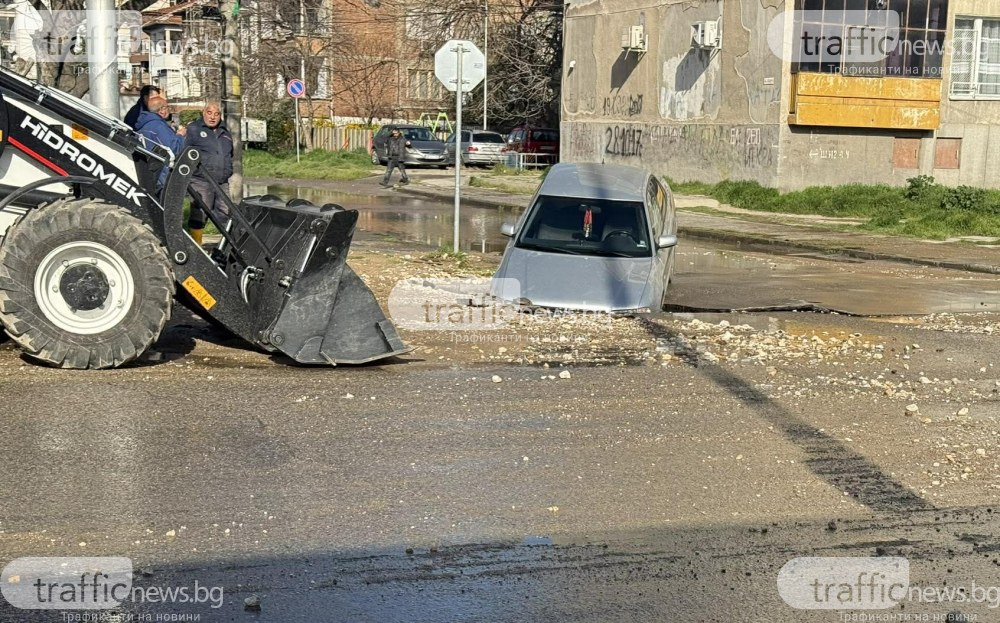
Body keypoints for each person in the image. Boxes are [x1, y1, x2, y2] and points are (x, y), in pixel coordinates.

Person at [184, 102, 234, 244]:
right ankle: (196, 245)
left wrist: (229, 170)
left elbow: (231, 154)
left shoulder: (226, 132)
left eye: (216, 114)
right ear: (203, 113)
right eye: (209, 113)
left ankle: (227, 246)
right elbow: (184, 152)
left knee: (226, 213)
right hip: (201, 180)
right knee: (199, 213)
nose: (212, 117)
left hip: (222, 181)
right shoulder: (194, 129)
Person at [134, 96, 185, 192]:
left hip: (148, 176)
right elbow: (174, 149)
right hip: (162, 177)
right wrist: (180, 135)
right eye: (167, 107)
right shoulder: (159, 126)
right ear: (162, 110)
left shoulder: (143, 126)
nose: (169, 110)